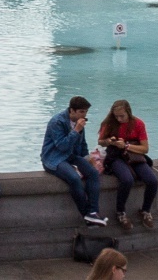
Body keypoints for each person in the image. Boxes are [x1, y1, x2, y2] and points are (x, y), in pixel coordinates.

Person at [41, 93, 107, 225]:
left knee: (93, 173)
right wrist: (76, 130)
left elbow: (82, 145)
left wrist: (89, 159)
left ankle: (93, 212)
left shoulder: (79, 123)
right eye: (81, 111)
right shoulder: (57, 122)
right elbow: (62, 146)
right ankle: (86, 214)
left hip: (71, 156)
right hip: (54, 158)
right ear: (72, 110)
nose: (84, 115)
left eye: (86, 111)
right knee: (74, 178)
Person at [97, 100, 158, 228]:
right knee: (127, 180)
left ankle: (146, 210)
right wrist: (109, 141)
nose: (119, 119)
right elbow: (101, 142)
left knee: (152, 180)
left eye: (122, 116)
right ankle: (121, 212)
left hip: (133, 156)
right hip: (115, 156)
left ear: (128, 113)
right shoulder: (109, 123)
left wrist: (126, 145)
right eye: (116, 116)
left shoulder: (138, 123)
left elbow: (144, 149)